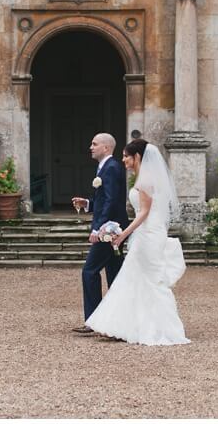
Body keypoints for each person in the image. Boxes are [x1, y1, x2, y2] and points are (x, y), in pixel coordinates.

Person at [84, 139, 189, 345]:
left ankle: (165, 328)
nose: (123, 160)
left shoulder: (145, 181)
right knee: (132, 278)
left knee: (152, 280)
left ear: (137, 157)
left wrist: (123, 234)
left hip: (149, 235)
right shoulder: (143, 179)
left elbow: (144, 214)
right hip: (145, 234)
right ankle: (123, 325)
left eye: (126, 156)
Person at [70, 133, 129, 334]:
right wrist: (87, 204)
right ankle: (118, 320)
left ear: (106, 147)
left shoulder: (111, 167)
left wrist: (99, 228)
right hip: (112, 227)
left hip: (111, 230)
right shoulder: (105, 167)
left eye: (94, 144)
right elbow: (105, 199)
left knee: (89, 271)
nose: (90, 147)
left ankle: (93, 321)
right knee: (114, 274)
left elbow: (113, 201)